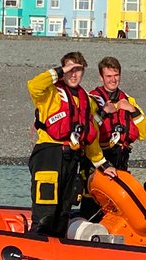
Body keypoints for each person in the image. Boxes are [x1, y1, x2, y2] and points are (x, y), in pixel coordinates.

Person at [27, 52, 114, 238]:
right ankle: (34, 244)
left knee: (63, 211)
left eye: (78, 70)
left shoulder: (86, 101)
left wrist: (102, 164)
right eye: (70, 70)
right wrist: (60, 71)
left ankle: (57, 248)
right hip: (49, 154)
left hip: (71, 157)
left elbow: (91, 135)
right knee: (46, 210)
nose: (74, 75)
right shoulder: (51, 93)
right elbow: (33, 86)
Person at [88, 56, 146, 171]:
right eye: (108, 76)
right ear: (101, 78)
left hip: (121, 160)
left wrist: (132, 110)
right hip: (99, 161)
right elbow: (88, 131)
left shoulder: (129, 101)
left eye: (116, 75)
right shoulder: (93, 100)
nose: (113, 80)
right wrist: (103, 113)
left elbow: (145, 133)